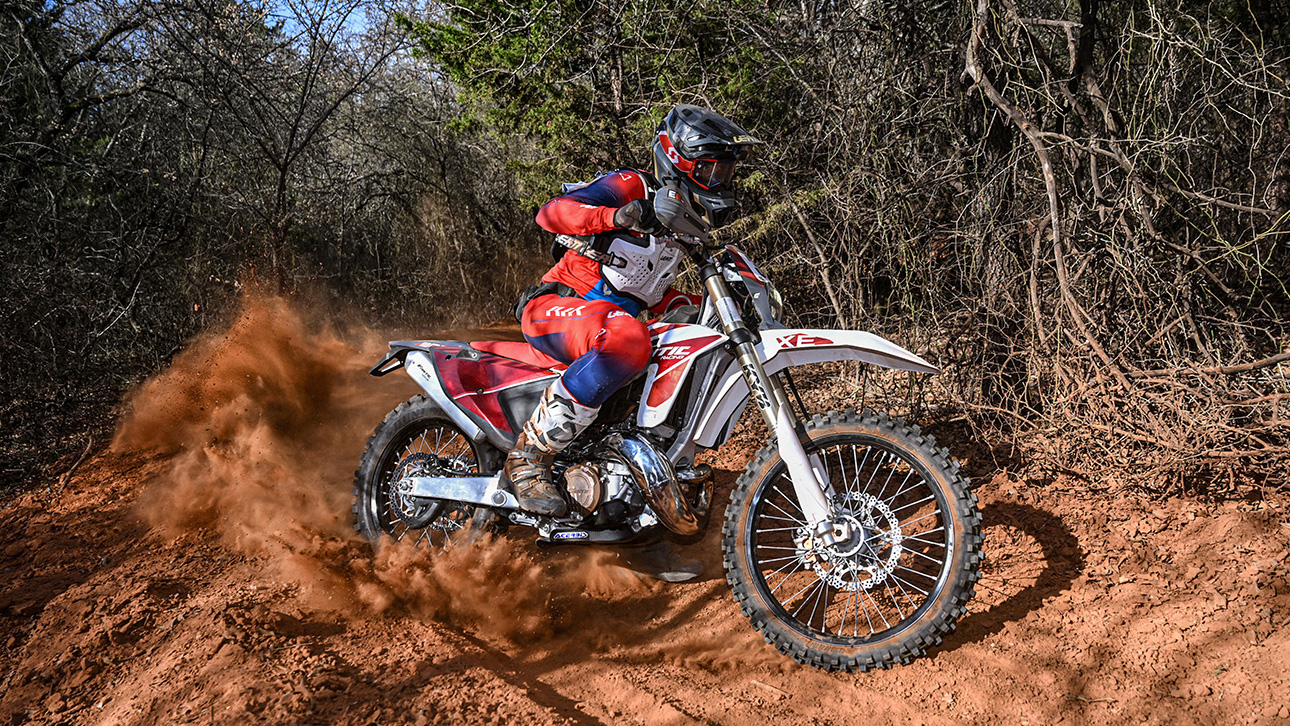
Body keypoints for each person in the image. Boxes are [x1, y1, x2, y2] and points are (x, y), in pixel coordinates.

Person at [504, 104, 762, 515]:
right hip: (556, 308)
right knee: (629, 338)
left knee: (696, 332)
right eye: (712, 170)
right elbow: (550, 213)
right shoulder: (631, 186)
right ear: (679, 160)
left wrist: (699, 308)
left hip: (607, 323)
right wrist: (618, 214)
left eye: (726, 173)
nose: (721, 181)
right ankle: (529, 457)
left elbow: (649, 290)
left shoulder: (683, 227)